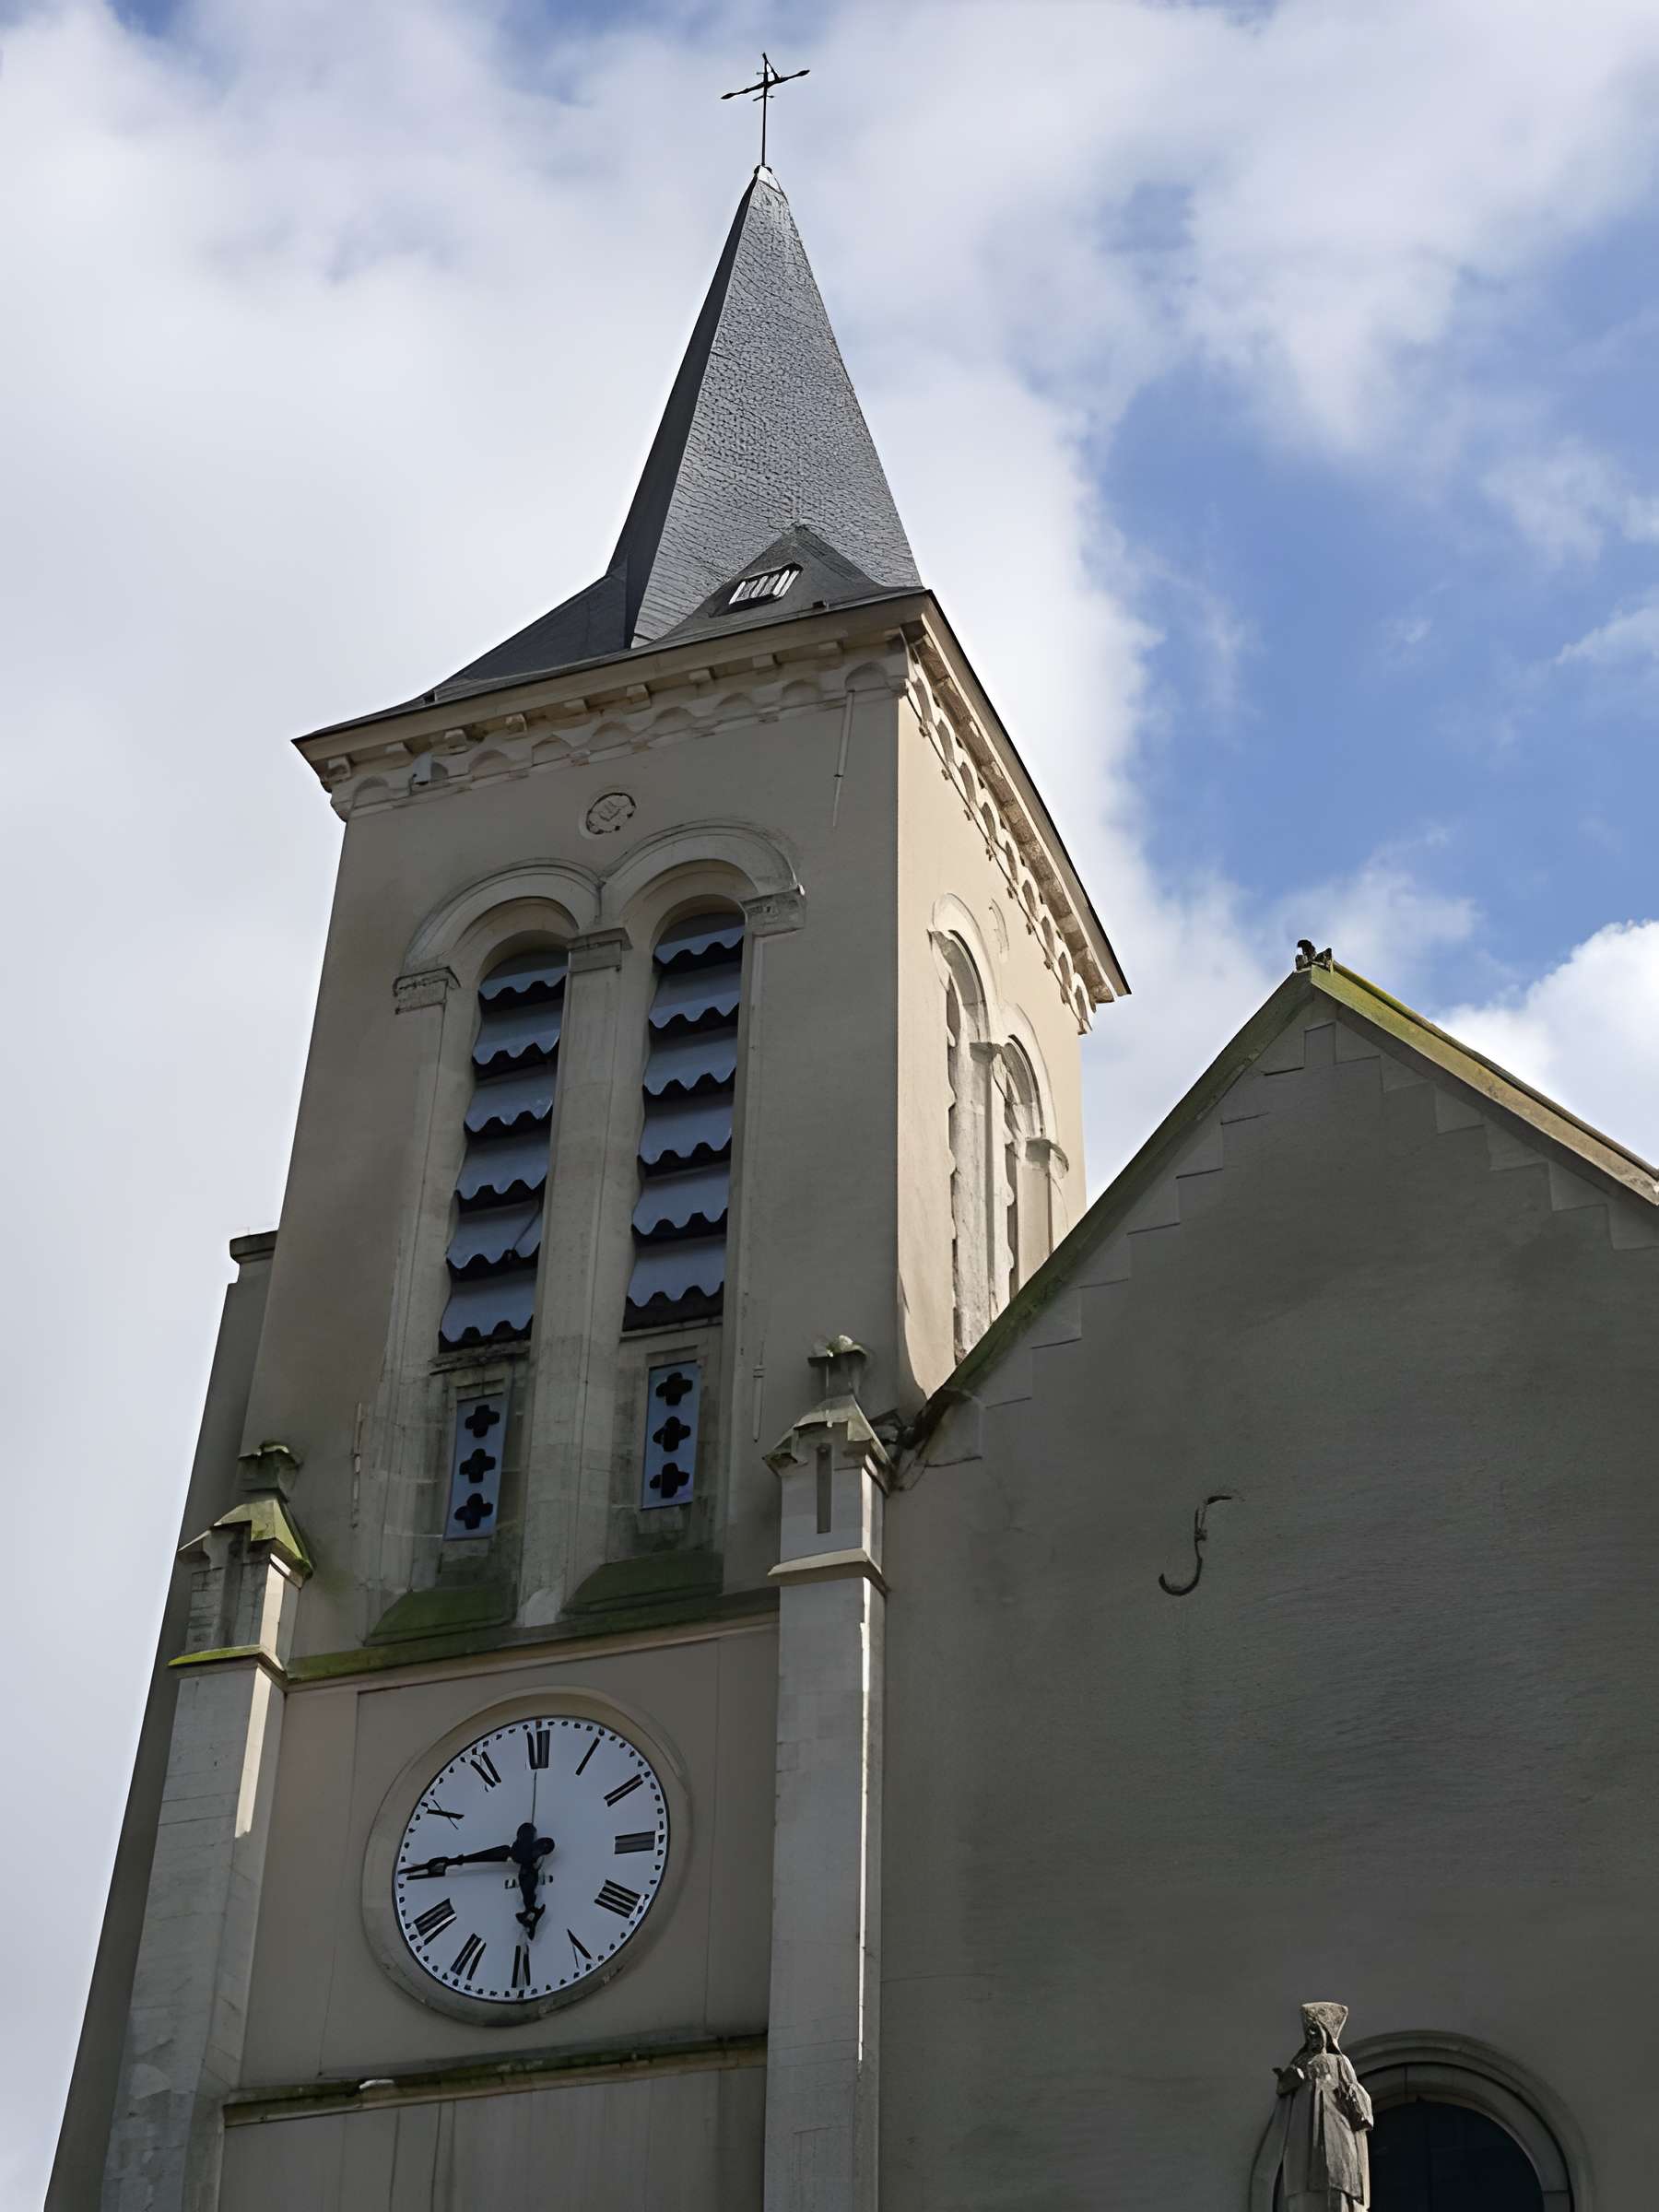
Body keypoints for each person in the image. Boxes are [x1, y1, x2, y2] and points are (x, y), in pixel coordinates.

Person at [1274, 2001, 1373, 2212]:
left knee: (1335, 2176)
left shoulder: (1339, 2062)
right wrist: (1289, 2080)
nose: (1312, 2038)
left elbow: (1354, 2094)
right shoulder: (1300, 2061)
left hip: (1335, 2127)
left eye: (1316, 2032)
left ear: (1326, 2034)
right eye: (1309, 2034)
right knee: (1304, 2183)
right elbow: (1283, 2090)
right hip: (1304, 2138)